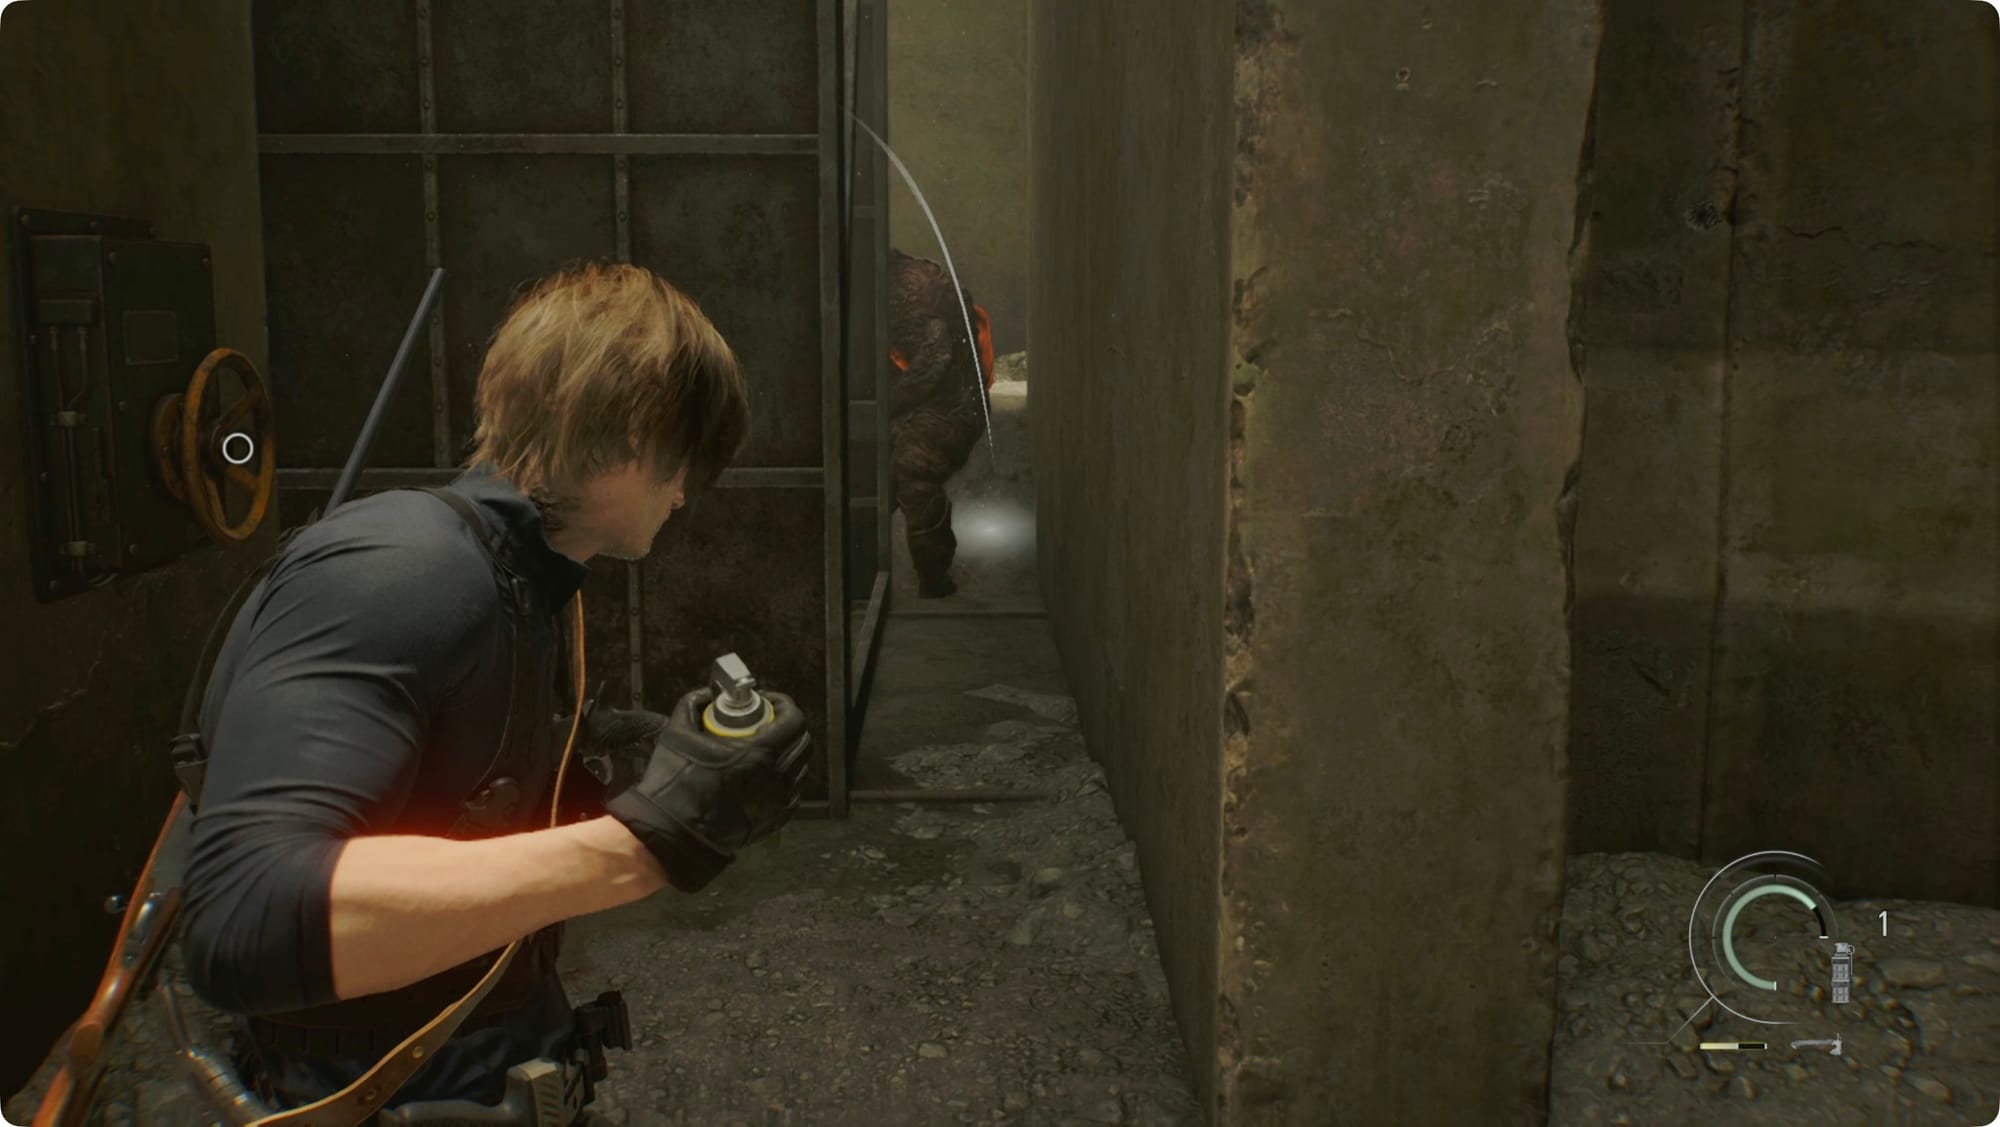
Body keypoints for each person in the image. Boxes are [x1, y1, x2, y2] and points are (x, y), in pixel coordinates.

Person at [179, 262, 812, 1122]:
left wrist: (595, 767)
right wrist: (652, 836)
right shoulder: (408, 572)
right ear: (637, 428)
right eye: (686, 460)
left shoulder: (520, 578)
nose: (683, 493)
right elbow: (244, 919)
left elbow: (431, 796)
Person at [886, 248, 996, 598]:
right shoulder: (903, 280)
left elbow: (936, 354)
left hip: (951, 405)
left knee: (914, 467)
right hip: (940, 400)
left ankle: (934, 576)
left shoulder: (908, 286)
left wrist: (888, 404)